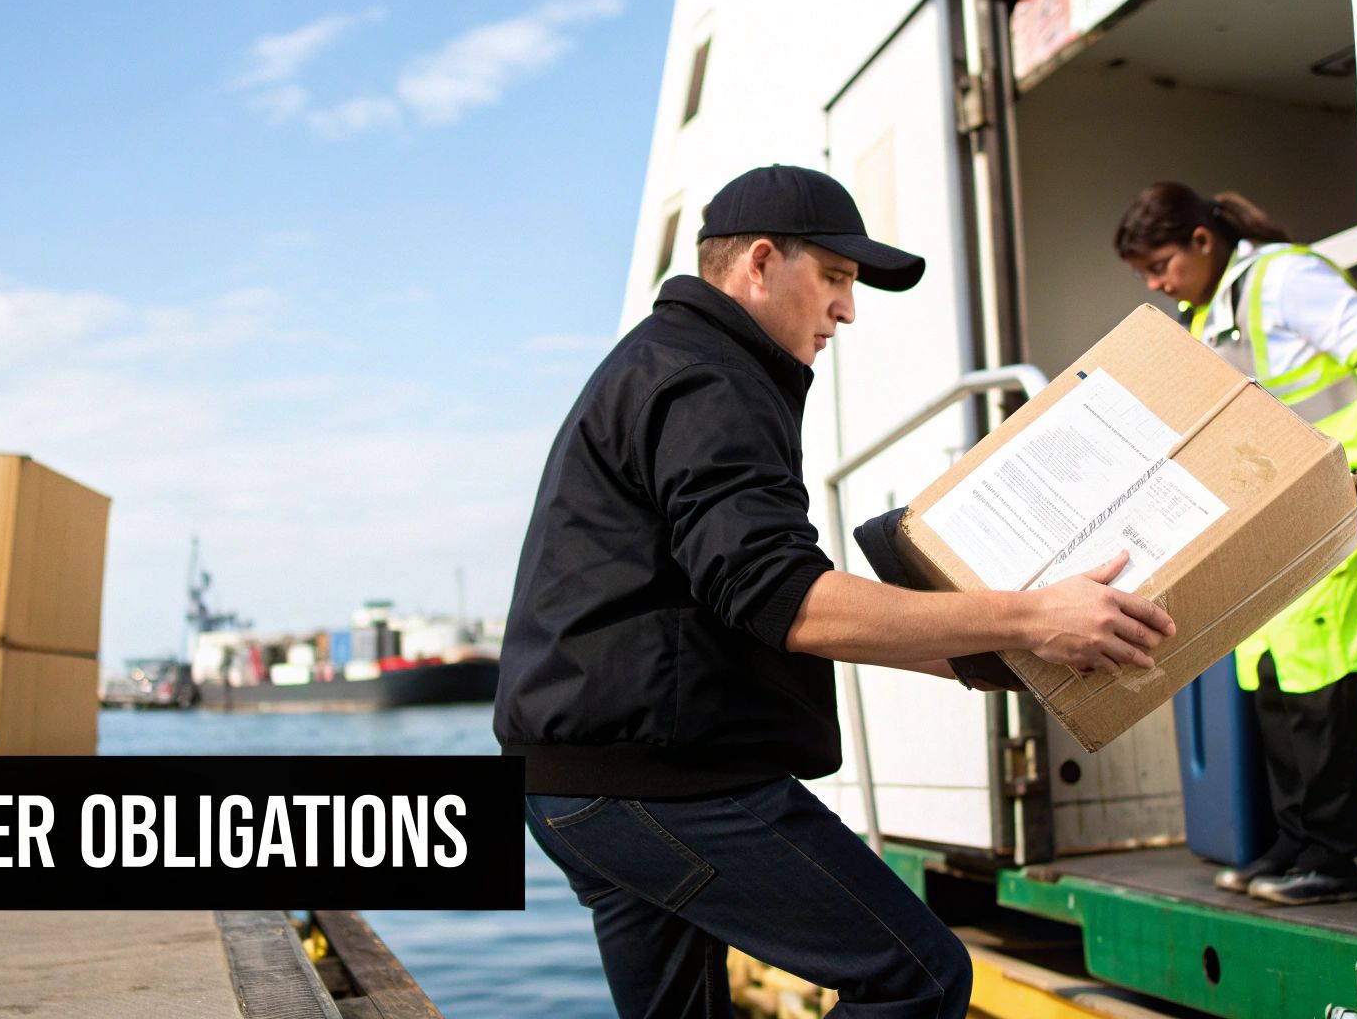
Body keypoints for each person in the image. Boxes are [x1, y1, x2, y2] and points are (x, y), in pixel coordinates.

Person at [496, 164, 1176, 1018]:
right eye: (837, 278)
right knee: (916, 976)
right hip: (657, 782)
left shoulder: (667, 361)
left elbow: (728, 603)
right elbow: (786, 596)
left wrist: (984, 651)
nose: (848, 311)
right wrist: (1033, 614)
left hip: (576, 785)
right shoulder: (712, 377)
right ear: (760, 263)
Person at [1115, 181, 1357, 906]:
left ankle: (1332, 857)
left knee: (1315, 685)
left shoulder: (1286, 279)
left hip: (1347, 504)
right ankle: (1295, 842)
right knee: (1273, 679)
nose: (1156, 283)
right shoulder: (1214, 311)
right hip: (1283, 519)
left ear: (1203, 241)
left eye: (1162, 264)